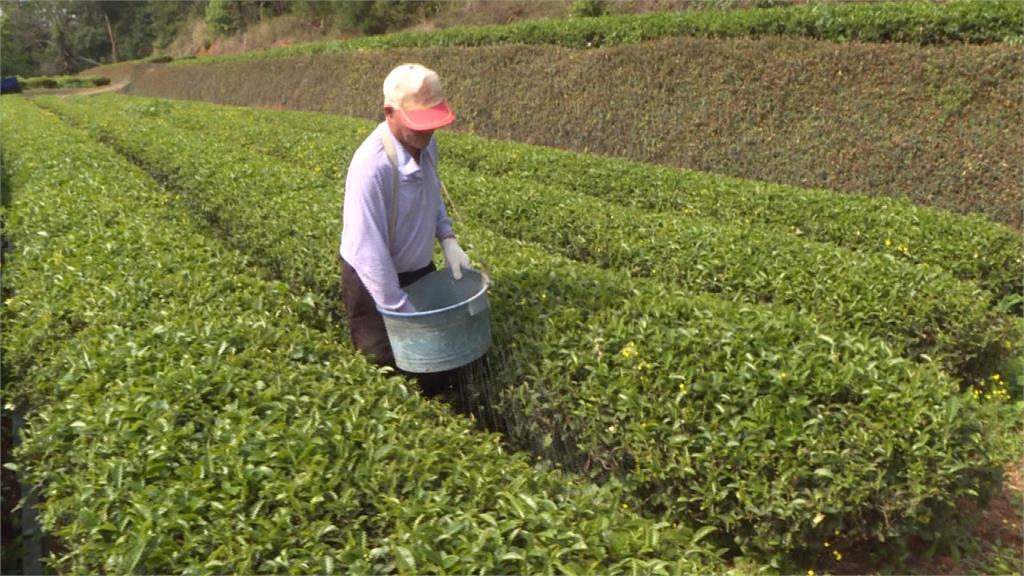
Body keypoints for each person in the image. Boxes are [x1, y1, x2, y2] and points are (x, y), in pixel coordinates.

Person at [339, 63, 471, 371]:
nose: (428, 131)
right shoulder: (371, 168)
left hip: (418, 270)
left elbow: (430, 192)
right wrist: (404, 314)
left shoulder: (425, 142)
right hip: (372, 282)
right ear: (389, 113)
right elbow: (370, 254)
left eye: (432, 122)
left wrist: (447, 238)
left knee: (434, 364)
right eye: (418, 123)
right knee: (385, 366)